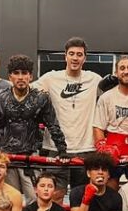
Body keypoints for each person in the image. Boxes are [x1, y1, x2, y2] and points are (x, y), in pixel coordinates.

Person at [0, 54, 68, 204]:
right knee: (7, 201)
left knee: (36, 200)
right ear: (10, 76)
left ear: (30, 76)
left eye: (24, 73)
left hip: (30, 157)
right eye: (16, 73)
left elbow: (53, 125)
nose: (20, 77)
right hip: (6, 157)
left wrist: (62, 150)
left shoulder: (41, 98)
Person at [33, 36, 104, 198]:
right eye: (71, 53)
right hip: (56, 149)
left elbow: (113, 94)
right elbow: (23, 91)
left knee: (83, 198)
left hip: (86, 148)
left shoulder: (94, 79)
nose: (75, 58)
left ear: (84, 58)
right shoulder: (50, 78)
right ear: (65, 56)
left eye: (79, 54)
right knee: (54, 196)